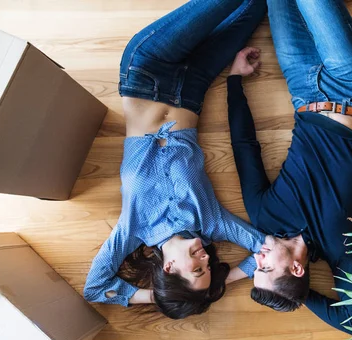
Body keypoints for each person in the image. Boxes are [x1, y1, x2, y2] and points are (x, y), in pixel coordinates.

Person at [83, 0, 268, 320]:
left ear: (168, 267)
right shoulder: (211, 223)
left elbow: (95, 289)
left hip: (146, 72)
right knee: (258, 7)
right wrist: (217, 284)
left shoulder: (134, 229)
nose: (207, 260)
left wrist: (160, 296)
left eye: (197, 268)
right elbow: (265, 251)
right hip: (194, 86)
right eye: (208, 267)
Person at [225, 0, 352, 334]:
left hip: (302, 86)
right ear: (296, 270)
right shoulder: (340, 251)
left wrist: (234, 82)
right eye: (266, 268)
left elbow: (244, 149)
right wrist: (298, 296)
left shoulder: (264, 216)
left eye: (257, 266)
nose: (258, 258)